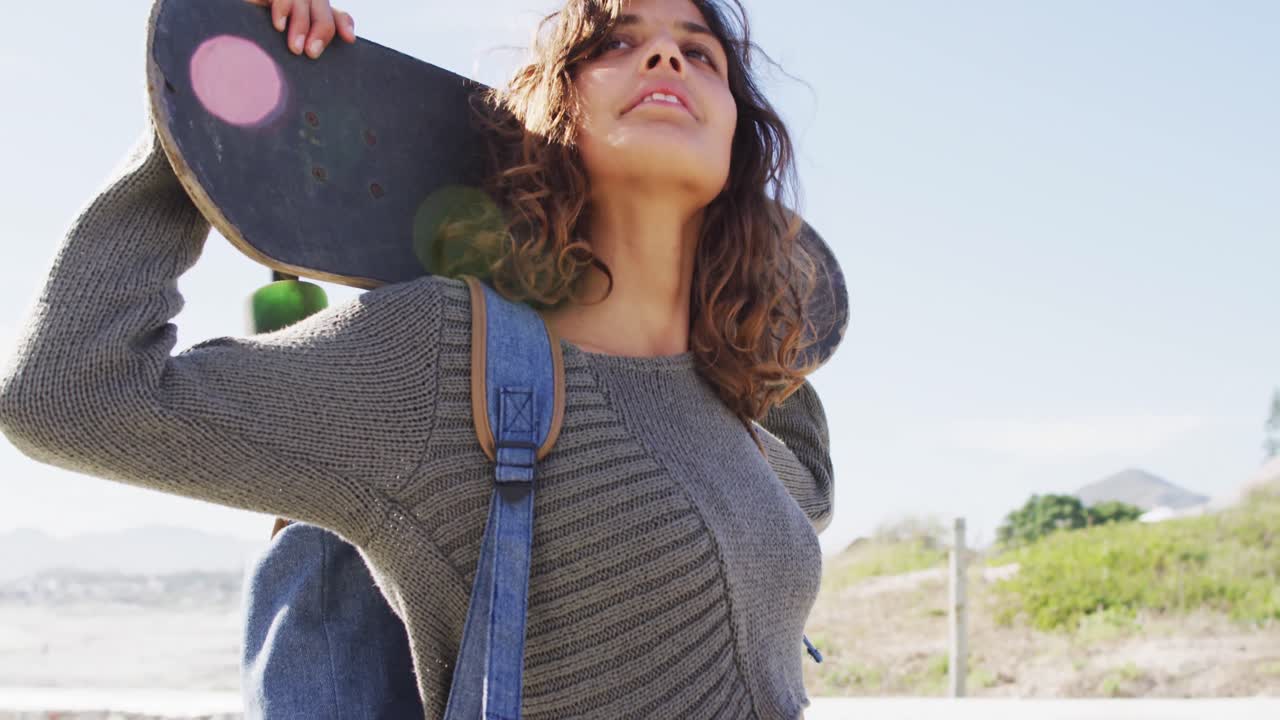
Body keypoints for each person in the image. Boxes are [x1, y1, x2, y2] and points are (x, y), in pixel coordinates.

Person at [0, 0, 835, 717]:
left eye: (702, 53)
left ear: (738, 136)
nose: (665, 55)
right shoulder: (446, 357)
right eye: (614, 42)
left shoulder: (723, 407)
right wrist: (203, 120)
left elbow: (811, 485)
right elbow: (69, 393)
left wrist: (754, 296)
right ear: (549, 117)